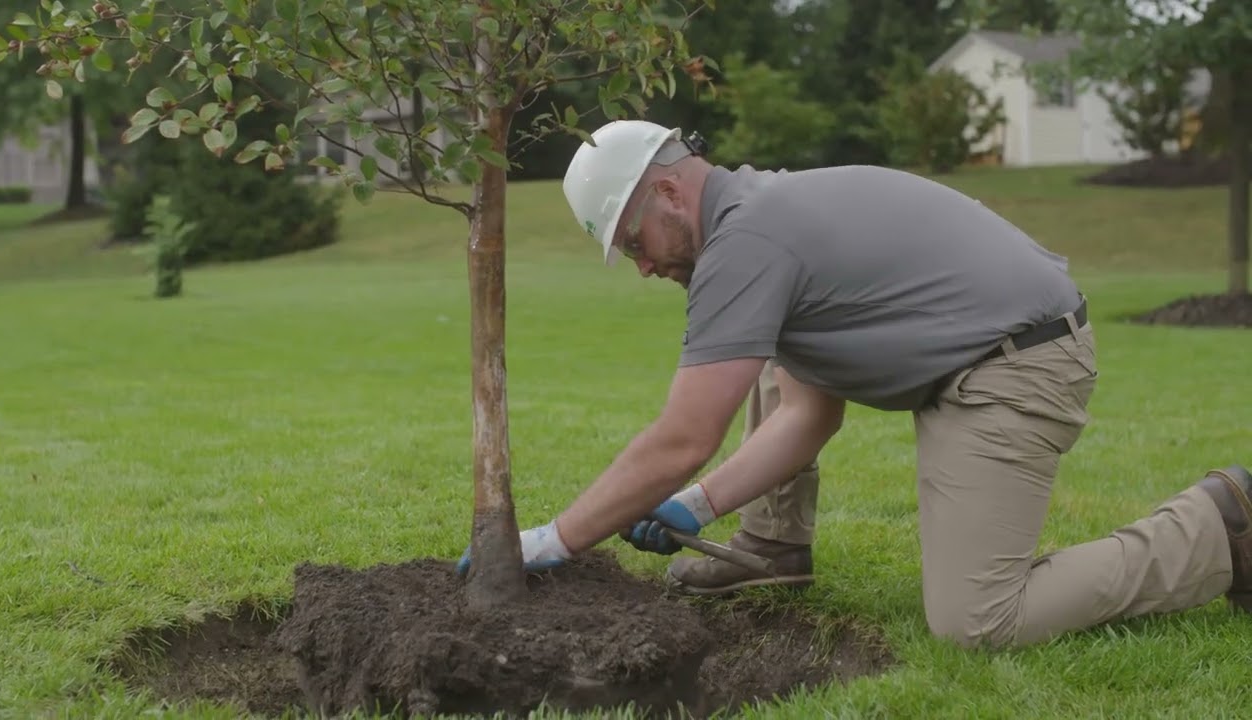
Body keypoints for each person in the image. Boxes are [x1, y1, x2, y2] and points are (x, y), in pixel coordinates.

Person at [456, 119, 1250, 649]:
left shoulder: (748, 242)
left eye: (636, 242)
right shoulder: (758, 215)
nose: (645, 266)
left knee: (978, 620)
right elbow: (806, 413)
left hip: (1015, 366)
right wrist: (693, 507)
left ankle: (1219, 526)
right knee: (759, 355)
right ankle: (772, 550)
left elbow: (682, 438)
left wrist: (548, 541)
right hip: (979, 353)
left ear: (668, 192)